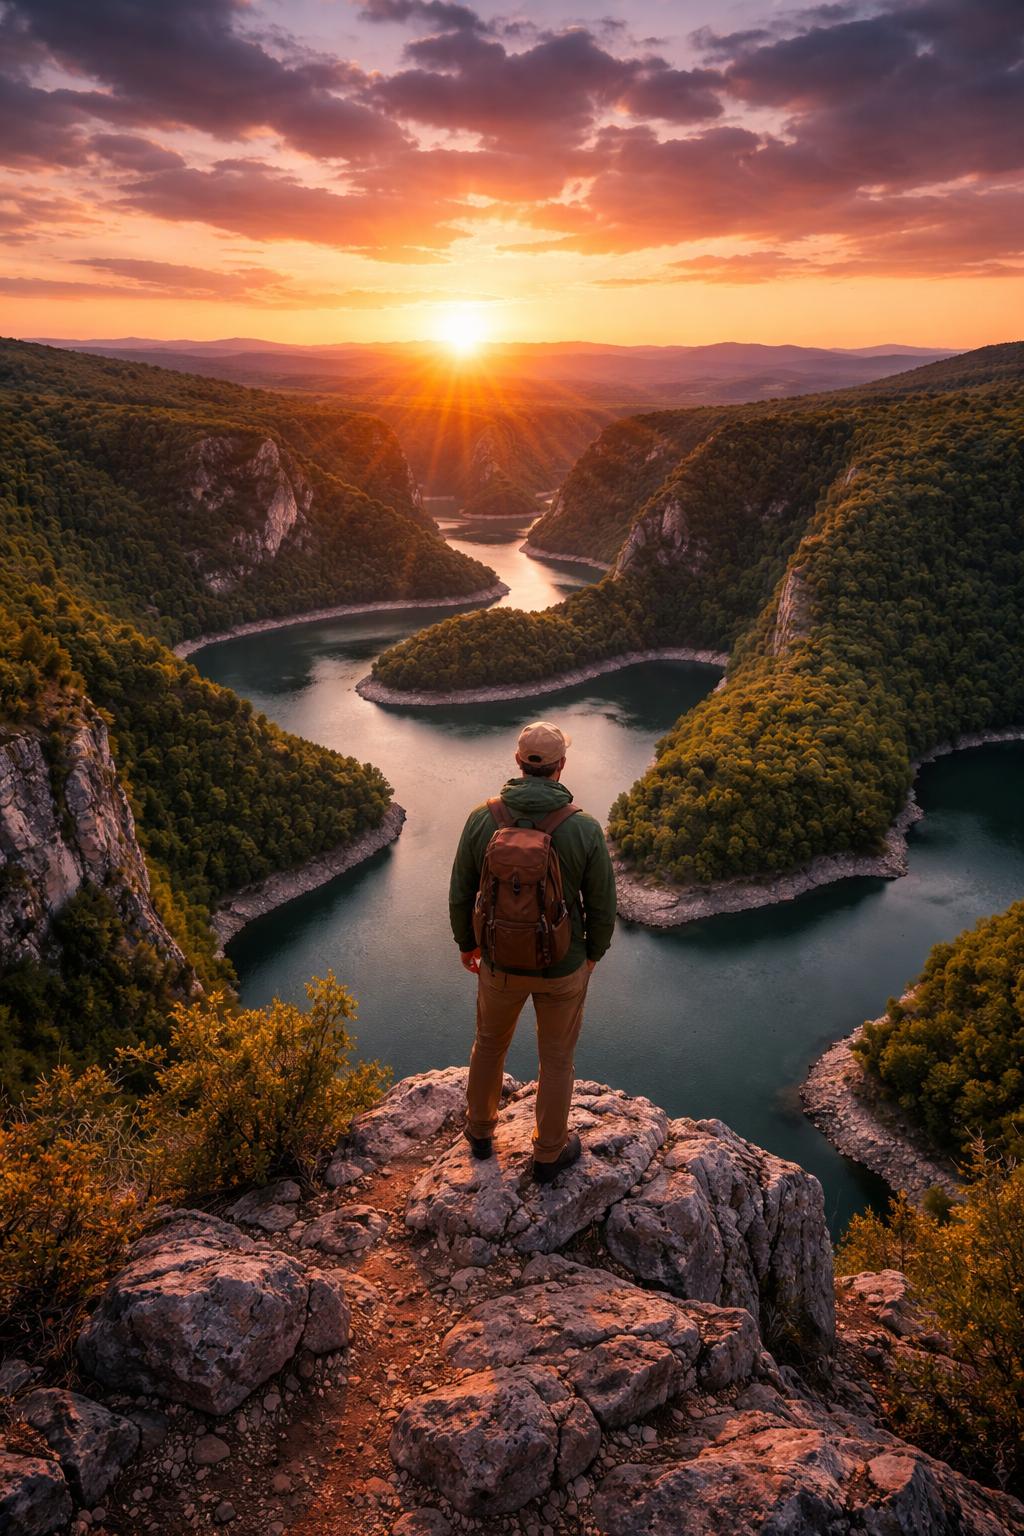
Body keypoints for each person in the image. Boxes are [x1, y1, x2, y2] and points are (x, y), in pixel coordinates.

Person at [449, 720, 617, 1182]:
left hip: (499, 961)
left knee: (489, 1045)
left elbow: (461, 891)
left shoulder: (483, 818)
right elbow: (602, 904)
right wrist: (592, 954)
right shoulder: (583, 827)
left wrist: (468, 944)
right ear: (562, 765)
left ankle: (480, 1133)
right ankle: (548, 1152)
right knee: (557, 1060)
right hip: (563, 966)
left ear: (518, 762)